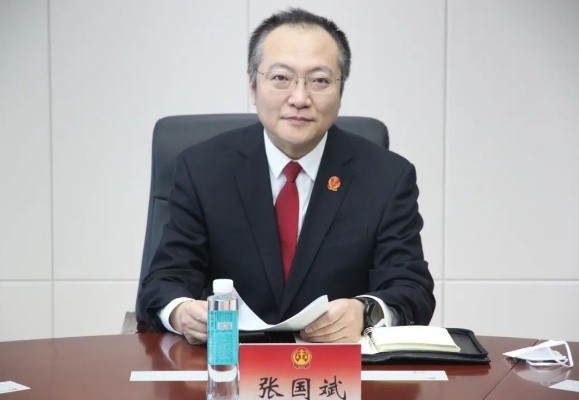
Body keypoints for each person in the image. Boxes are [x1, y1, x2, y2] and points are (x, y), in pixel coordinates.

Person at [137, 8, 435, 345]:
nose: (299, 98)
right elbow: (163, 281)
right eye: (281, 78)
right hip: (229, 362)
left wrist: (365, 312)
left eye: (319, 81)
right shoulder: (202, 169)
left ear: (341, 92)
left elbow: (412, 289)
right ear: (253, 86)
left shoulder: (387, 177)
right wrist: (181, 312)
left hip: (338, 367)